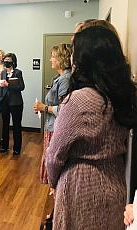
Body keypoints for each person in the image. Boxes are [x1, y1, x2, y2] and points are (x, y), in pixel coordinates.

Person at [46, 26, 137, 229]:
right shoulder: (125, 97)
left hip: (79, 187)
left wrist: (53, 182)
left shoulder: (78, 101)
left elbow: (54, 155)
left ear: (83, 60)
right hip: (116, 183)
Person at [33, 43, 72, 184]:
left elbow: (64, 109)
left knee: (53, 163)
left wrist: (44, 108)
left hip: (56, 128)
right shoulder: (59, 78)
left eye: (53, 57)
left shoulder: (65, 80)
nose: (50, 59)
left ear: (61, 59)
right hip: (51, 126)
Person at [0, 53, 25, 155]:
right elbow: (1, 88)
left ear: (13, 61)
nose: (6, 61)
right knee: (5, 125)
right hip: (4, 102)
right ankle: (5, 146)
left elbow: (21, 87)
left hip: (16, 103)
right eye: (5, 60)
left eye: (8, 60)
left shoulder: (18, 72)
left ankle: (17, 148)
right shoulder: (3, 72)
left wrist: (8, 85)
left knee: (17, 126)